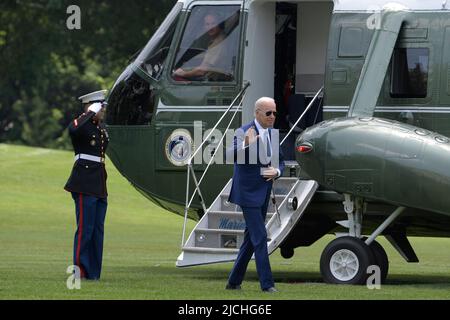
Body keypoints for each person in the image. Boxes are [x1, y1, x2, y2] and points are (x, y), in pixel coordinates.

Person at [225, 97, 285, 293]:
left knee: (251, 239)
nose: (273, 116)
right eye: (269, 113)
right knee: (260, 237)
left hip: (264, 192)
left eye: (274, 112)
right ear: (257, 113)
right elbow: (229, 155)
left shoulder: (272, 134)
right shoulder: (244, 131)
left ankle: (233, 282)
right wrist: (246, 144)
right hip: (247, 193)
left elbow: (281, 162)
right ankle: (267, 285)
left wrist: (276, 172)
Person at [64, 90, 109, 280]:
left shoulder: (99, 129)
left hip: (98, 184)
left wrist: (95, 117)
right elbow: (73, 129)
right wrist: (89, 113)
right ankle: (80, 272)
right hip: (83, 183)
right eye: (101, 108)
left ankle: (93, 273)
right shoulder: (81, 125)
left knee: (98, 231)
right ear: (91, 106)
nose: (102, 112)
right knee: (85, 229)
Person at [173, 12, 229, 81]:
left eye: (213, 23)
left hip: (212, 81)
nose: (210, 27)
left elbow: (202, 71)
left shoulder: (218, 43)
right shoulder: (217, 38)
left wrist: (183, 73)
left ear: (220, 25)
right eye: (207, 24)